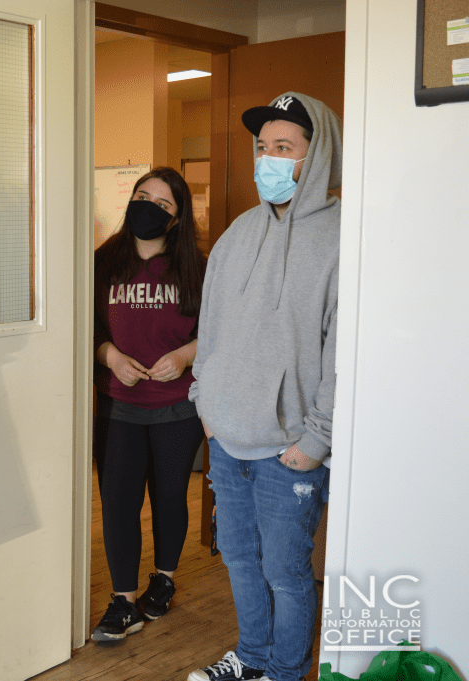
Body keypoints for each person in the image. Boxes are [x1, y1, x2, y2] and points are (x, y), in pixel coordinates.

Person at [187, 92, 341, 681]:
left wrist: (316, 439)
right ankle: (252, 658)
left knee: (286, 571)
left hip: (290, 450)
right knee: (241, 561)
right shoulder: (236, 234)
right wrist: (206, 401)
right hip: (227, 438)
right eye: (261, 147)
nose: (268, 160)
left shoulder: (340, 240)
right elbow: (212, 328)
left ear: (315, 155)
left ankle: (282, 672)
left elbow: (342, 353)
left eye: (284, 148)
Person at [91, 167, 207, 642]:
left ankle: (163, 579)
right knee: (118, 502)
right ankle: (122, 602)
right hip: (117, 405)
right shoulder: (103, 262)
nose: (150, 207)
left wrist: (183, 356)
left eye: (163, 204)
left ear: (177, 219)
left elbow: (218, 332)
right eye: (143, 196)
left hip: (177, 406)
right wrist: (110, 356)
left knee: (168, 496)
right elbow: (86, 330)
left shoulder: (196, 268)